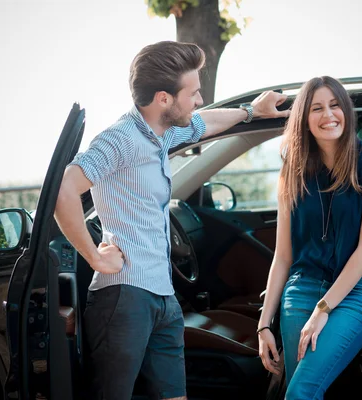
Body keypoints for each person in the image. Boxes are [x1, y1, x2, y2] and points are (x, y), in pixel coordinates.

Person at [53, 40, 290, 400]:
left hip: (164, 297)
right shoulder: (121, 140)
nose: (198, 100)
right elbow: (63, 192)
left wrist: (251, 111)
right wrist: (94, 257)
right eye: (193, 93)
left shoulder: (161, 134)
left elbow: (203, 123)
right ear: (164, 98)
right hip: (124, 297)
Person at [256, 76, 362, 399]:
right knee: (305, 389)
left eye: (334, 105)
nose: (328, 115)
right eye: (317, 108)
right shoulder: (292, 170)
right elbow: (283, 255)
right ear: (304, 118)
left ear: (346, 110)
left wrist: (323, 309)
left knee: (300, 392)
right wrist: (263, 324)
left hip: (359, 287)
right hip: (302, 287)